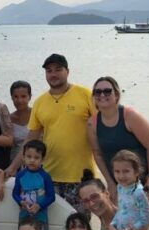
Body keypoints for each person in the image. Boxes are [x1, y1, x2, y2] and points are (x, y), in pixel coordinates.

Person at [6, 54, 95, 216]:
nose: (53, 74)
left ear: (67, 71)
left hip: (81, 176)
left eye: (58, 70)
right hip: (48, 177)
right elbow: (30, 139)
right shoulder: (40, 102)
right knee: (50, 226)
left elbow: (101, 128)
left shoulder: (85, 94)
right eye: (49, 71)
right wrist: (12, 167)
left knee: (80, 227)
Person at [87, 76, 149, 198]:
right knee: (120, 216)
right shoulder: (92, 123)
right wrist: (110, 182)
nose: (102, 95)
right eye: (98, 91)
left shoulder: (130, 116)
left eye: (107, 91)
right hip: (118, 180)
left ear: (116, 94)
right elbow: (97, 154)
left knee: (141, 217)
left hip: (142, 181)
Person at [109, 150, 149, 230]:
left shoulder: (139, 193)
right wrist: (112, 224)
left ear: (137, 171)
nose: (121, 176)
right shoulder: (120, 187)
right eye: (117, 171)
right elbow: (121, 210)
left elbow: (146, 219)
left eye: (126, 171)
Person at [12, 139, 55, 230]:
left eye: (36, 158)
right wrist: (21, 202)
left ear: (42, 160)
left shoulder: (45, 176)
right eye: (29, 156)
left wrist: (39, 206)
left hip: (40, 217)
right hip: (24, 216)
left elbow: (51, 197)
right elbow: (15, 194)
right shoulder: (20, 175)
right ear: (23, 157)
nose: (32, 160)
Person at [9, 81, 32, 160]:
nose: (19, 101)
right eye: (16, 97)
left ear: (30, 97)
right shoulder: (9, 119)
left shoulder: (36, 115)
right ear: (11, 97)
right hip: (15, 163)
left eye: (23, 96)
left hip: (36, 161)